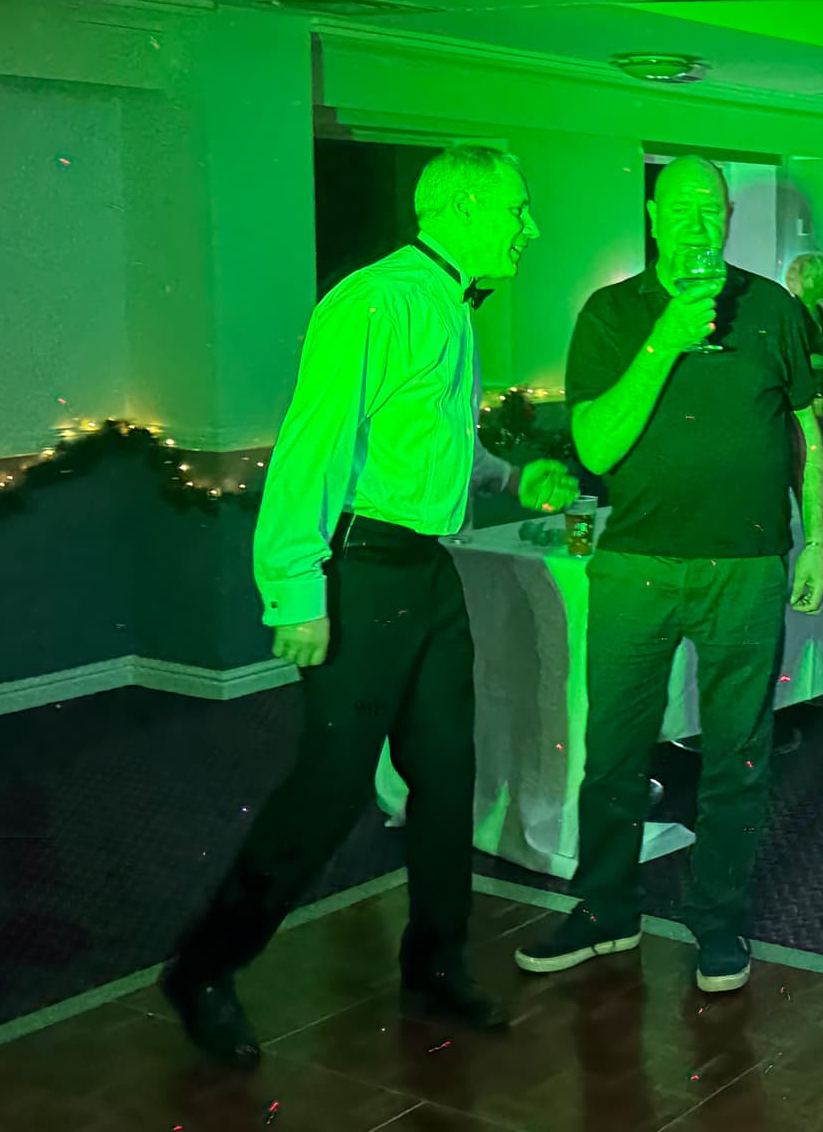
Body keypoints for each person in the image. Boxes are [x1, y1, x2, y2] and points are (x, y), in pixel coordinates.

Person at [161, 145, 577, 1069]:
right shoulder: (374, 300)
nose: (530, 226)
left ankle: (435, 965)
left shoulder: (451, 305)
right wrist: (296, 591)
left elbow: (423, 448)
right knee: (332, 784)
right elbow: (312, 451)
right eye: (517, 208)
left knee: (448, 773)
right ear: (463, 207)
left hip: (426, 571)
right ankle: (204, 968)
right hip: (363, 574)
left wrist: (512, 476)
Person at [515, 155, 823, 994]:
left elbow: (805, 429)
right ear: (653, 216)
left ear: (727, 217)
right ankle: (605, 910)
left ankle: (719, 921)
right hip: (637, 568)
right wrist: (666, 340)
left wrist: (818, 541)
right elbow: (596, 448)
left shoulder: (772, 308)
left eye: (712, 208)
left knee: (739, 757)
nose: (698, 224)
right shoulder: (614, 313)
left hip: (746, 568)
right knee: (614, 753)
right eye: (681, 208)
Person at [784, 251, 823, 463]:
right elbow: (790, 358)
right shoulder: (791, 313)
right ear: (809, 280)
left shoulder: (820, 313)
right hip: (799, 402)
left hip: (821, 398)